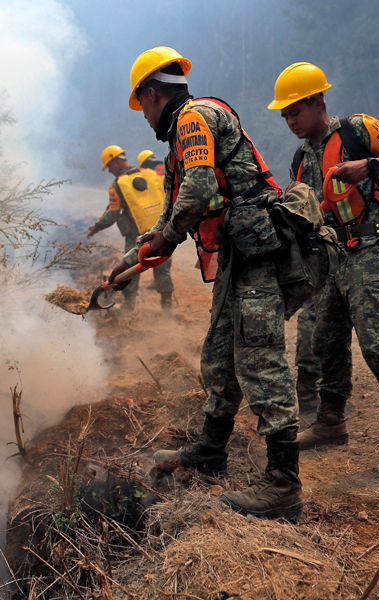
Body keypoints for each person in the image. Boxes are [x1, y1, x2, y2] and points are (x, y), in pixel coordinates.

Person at [111, 47, 301, 520]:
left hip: (257, 251)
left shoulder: (193, 118)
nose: (146, 118)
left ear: (153, 94)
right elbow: (174, 205)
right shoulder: (182, 135)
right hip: (240, 254)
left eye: (144, 107)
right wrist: (133, 256)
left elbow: (196, 195)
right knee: (219, 353)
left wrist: (168, 239)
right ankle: (211, 451)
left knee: (259, 358)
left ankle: (283, 484)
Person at [268, 62, 379, 473]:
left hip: (371, 245)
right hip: (329, 256)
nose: (290, 121)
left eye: (295, 112)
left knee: (376, 337)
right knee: (325, 339)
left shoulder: (358, 129)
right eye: (284, 115)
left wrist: (369, 166)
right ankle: (330, 420)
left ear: (318, 100)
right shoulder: (301, 159)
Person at [89, 145, 174, 313]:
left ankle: (128, 307)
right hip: (160, 228)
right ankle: (167, 308)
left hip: (136, 232)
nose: (109, 171)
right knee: (162, 266)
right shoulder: (151, 174)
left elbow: (113, 213)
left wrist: (97, 227)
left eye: (109, 166)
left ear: (115, 161)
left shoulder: (118, 184)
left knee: (130, 267)